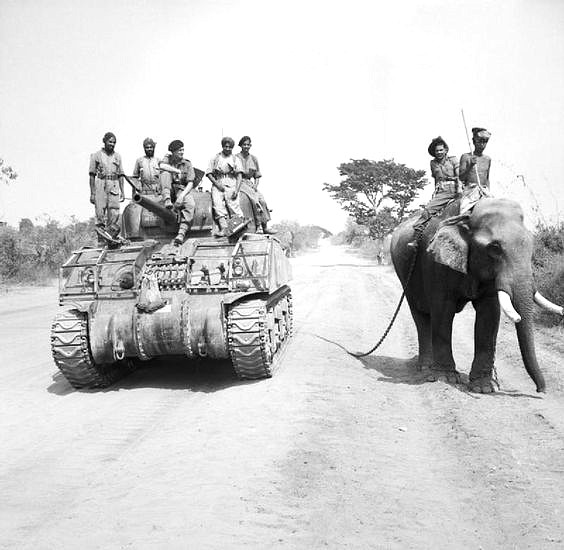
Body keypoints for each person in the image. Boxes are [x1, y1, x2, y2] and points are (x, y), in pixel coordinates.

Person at [407, 136, 460, 248]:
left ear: (445, 150)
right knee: (427, 211)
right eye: (437, 151)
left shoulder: (453, 160)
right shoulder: (433, 163)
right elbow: (436, 179)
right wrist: (435, 194)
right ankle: (416, 238)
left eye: (441, 150)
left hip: (456, 189)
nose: (439, 152)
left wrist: (459, 189)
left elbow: (459, 175)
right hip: (443, 192)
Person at [235, 136, 276, 234]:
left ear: (250, 145)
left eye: (248, 144)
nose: (246, 146)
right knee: (254, 200)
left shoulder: (254, 158)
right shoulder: (236, 157)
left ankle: (265, 225)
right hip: (239, 182)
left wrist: (256, 185)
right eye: (244, 144)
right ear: (240, 145)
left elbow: (257, 175)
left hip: (250, 183)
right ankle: (258, 225)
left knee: (262, 200)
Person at [89, 132, 125, 243]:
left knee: (114, 213)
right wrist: (93, 193)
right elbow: (91, 175)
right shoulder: (96, 155)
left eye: (114, 142)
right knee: (100, 213)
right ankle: (101, 240)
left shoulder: (117, 156)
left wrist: (122, 192)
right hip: (100, 183)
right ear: (104, 141)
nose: (112, 144)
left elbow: (121, 175)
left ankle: (111, 239)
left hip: (114, 184)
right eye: (110, 142)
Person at [159, 140, 196, 246]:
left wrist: (182, 197)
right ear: (173, 152)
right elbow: (162, 166)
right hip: (168, 189)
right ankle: (167, 200)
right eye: (179, 150)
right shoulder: (167, 159)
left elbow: (190, 183)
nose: (182, 152)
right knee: (165, 173)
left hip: (181, 189)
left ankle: (181, 233)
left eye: (183, 150)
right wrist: (177, 171)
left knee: (190, 204)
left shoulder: (187, 164)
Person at [206, 137, 244, 237]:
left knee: (233, 204)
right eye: (226, 146)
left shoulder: (235, 159)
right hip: (218, 181)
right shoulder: (215, 158)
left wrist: (237, 189)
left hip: (231, 181)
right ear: (223, 146)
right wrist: (217, 184)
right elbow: (209, 173)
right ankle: (223, 227)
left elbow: (239, 175)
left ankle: (237, 226)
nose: (227, 149)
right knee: (217, 204)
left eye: (230, 147)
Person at [458, 127, 492, 216]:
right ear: (473, 141)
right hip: (470, 192)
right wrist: (470, 166)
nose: (482, 144)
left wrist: (488, 191)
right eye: (480, 141)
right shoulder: (466, 157)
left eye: (485, 142)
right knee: (464, 214)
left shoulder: (487, 159)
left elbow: (487, 178)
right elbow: (461, 177)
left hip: (484, 191)